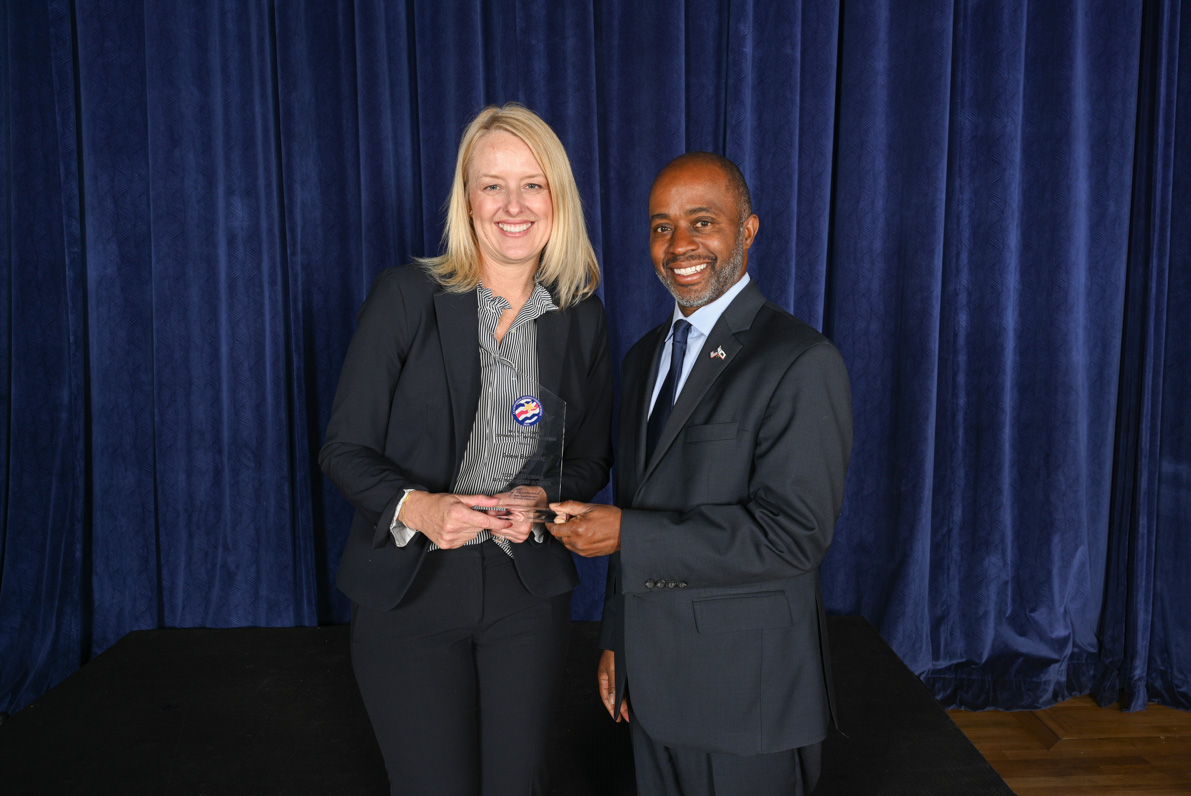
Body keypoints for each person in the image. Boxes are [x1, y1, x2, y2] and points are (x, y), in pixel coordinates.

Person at [319, 103, 613, 795]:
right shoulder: (406, 296)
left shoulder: (582, 316)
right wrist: (419, 507)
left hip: (525, 593)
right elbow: (344, 448)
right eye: (492, 185)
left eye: (533, 184)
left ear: (558, 198)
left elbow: (591, 459)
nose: (514, 206)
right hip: (411, 591)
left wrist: (542, 498)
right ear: (468, 199)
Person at [550, 152, 852, 795]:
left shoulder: (800, 360)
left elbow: (793, 537)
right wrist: (617, 638)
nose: (679, 244)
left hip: (748, 697)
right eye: (662, 227)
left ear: (748, 230)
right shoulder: (641, 359)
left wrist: (627, 534)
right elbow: (636, 501)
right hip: (651, 686)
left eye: (702, 221)